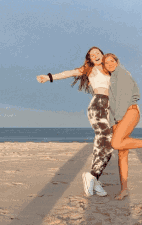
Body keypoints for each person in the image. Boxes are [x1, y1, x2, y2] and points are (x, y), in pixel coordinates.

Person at [36, 46, 114, 197]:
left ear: (103, 55)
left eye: (97, 53)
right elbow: (69, 73)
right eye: (92, 55)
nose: (95, 55)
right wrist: (48, 77)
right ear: (90, 59)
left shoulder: (111, 69)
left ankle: (94, 178)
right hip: (98, 104)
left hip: (108, 108)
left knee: (107, 146)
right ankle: (92, 176)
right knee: (105, 140)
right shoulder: (89, 69)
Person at [103, 53, 142, 200]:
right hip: (119, 116)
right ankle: (124, 190)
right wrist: (113, 123)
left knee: (116, 143)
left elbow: (123, 98)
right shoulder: (113, 78)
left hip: (129, 112)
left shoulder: (121, 74)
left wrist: (118, 119)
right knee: (122, 153)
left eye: (112, 61)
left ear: (117, 62)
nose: (109, 64)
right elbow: (113, 102)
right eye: (106, 62)